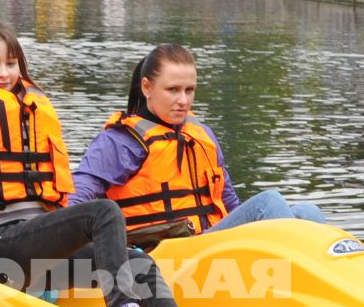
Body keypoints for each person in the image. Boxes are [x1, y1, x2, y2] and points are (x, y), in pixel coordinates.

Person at [0, 22, 196, 307]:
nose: (3, 73)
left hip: (42, 258)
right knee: (104, 211)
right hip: (5, 248)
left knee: (138, 262)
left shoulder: (28, 101)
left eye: (11, 64)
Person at [75, 42, 324, 246]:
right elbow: (77, 196)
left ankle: (329, 292)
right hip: (161, 254)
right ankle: (309, 285)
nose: (183, 100)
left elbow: (230, 204)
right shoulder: (121, 141)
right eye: (173, 90)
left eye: (189, 90)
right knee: (270, 202)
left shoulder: (202, 134)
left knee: (308, 212)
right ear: (147, 87)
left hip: (207, 246)